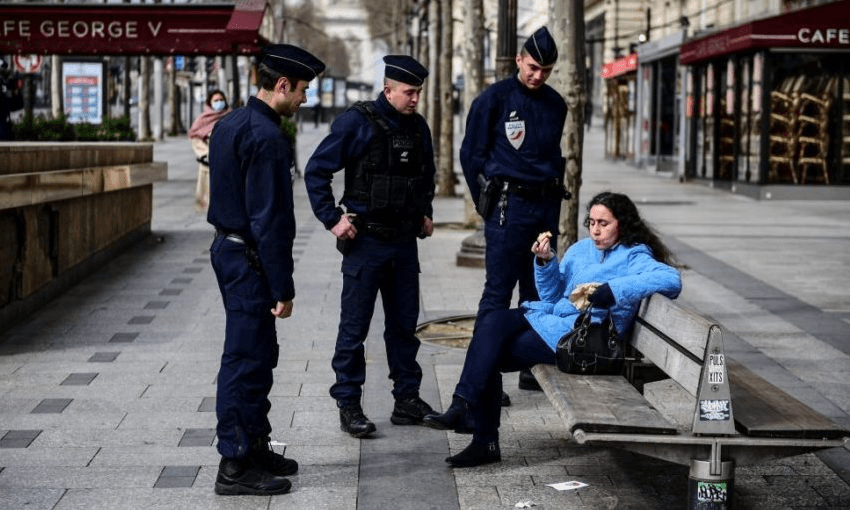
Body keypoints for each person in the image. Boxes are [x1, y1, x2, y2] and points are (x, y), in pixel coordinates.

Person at [424, 192, 682, 467]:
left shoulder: (635, 254)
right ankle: (465, 410)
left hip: (583, 339)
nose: (595, 229)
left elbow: (671, 279)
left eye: (603, 223)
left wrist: (614, 290)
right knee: (490, 325)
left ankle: (476, 428)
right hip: (554, 321)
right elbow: (552, 295)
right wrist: (546, 262)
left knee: (489, 350)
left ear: (623, 224)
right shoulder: (582, 249)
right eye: (591, 221)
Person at [207, 44, 325, 496]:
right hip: (249, 258)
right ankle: (234, 465)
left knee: (258, 354)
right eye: (302, 90)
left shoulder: (231, 122)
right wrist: (284, 287)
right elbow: (271, 221)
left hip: (229, 250)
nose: (305, 99)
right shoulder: (269, 137)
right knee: (245, 359)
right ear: (281, 85)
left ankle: (254, 443)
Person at [304, 55, 437, 439]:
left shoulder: (418, 127)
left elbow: (426, 175)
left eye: (418, 93)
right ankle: (349, 404)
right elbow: (317, 171)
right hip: (365, 242)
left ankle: (407, 400)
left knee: (403, 328)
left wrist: (425, 211)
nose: (414, 99)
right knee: (354, 329)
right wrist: (332, 218)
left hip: (403, 244)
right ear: (388, 89)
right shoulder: (357, 122)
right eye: (408, 92)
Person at [459, 26, 570, 395]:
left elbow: (554, 159)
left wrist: (553, 220)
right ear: (520, 59)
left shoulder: (557, 104)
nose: (538, 76)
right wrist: (485, 205)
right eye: (533, 67)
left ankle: (528, 366)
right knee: (497, 295)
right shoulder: (494, 98)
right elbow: (470, 155)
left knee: (536, 296)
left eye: (546, 70)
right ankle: (483, 379)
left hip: (543, 209)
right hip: (507, 209)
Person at [189, 89, 232, 211]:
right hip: (209, 164)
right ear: (210, 103)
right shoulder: (202, 119)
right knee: (210, 202)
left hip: (228, 164)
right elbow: (195, 138)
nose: (219, 102)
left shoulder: (232, 116)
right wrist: (206, 154)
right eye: (216, 100)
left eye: (221, 100)